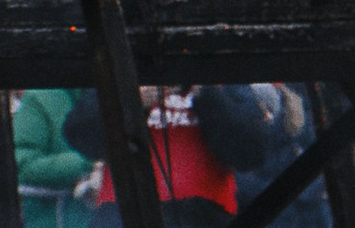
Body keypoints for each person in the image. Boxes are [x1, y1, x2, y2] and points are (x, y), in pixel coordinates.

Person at [62, 82, 273, 224]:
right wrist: (130, 102)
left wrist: (206, 96)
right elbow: (79, 136)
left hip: (205, 216)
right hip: (122, 214)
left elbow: (251, 154)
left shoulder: (220, 79)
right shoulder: (119, 72)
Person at [14, 92, 91, 228]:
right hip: (52, 221)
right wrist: (88, 163)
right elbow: (22, 165)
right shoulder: (39, 98)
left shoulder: (120, 95)